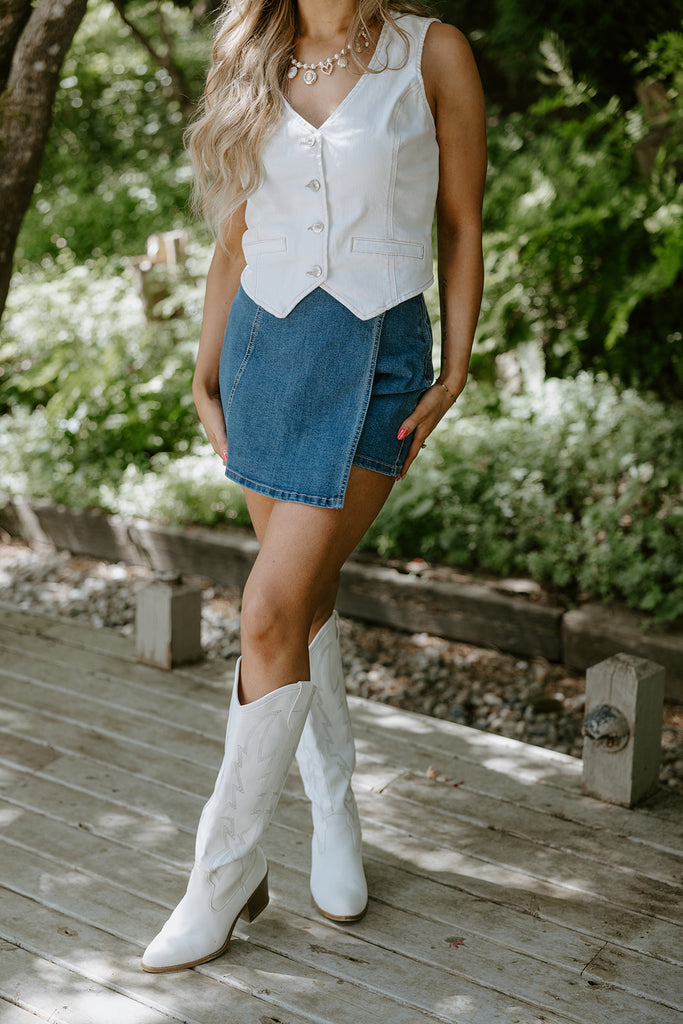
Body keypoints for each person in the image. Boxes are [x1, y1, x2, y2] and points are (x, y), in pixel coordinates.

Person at [141, 0, 486, 973]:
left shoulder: (432, 53)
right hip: (263, 352)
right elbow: (235, 233)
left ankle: (223, 872)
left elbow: (461, 223)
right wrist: (204, 368)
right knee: (303, 599)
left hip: (377, 358)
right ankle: (332, 810)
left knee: (266, 609)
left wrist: (456, 365)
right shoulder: (245, 46)